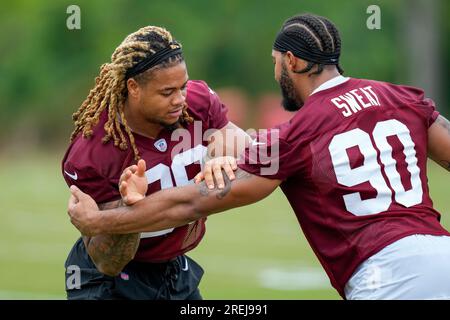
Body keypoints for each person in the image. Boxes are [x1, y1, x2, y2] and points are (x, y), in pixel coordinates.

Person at [67, 13, 450, 300]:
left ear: (292, 62)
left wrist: (104, 218)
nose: (180, 99)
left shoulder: (295, 135)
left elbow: (188, 203)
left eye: (274, 63)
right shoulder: (402, 96)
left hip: (386, 278)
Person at [62, 25, 248, 300]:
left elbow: (243, 142)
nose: (179, 100)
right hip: (109, 284)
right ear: (133, 87)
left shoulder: (195, 103)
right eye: (166, 92)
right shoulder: (94, 149)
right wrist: (131, 207)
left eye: (183, 86)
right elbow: (108, 263)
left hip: (174, 271)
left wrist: (220, 155)